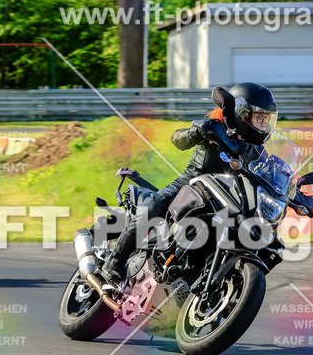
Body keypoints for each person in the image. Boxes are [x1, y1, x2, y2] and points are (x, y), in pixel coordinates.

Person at [102, 81, 279, 289]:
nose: (264, 125)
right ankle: (114, 262)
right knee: (154, 205)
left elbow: (273, 177)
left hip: (226, 200)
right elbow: (176, 139)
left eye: (267, 119)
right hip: (192, 185)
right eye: (260, 118)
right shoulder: (216, 125)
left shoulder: (257, 152)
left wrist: (298, 189)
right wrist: (196, 132)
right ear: (242, 112)